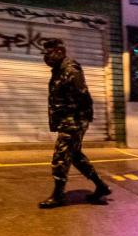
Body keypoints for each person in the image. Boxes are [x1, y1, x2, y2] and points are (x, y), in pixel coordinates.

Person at [38, 38, 111, 208]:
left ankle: (59, 195)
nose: (46, 58)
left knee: (60, 157)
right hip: (68, 120)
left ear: (59, 52)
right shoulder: (58, 70)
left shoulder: (70, 69)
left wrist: (78, 121)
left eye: (48, 54)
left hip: (73, 121)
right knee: (75, 156)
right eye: (45, 54)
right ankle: (101, 187)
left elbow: (84, 97)